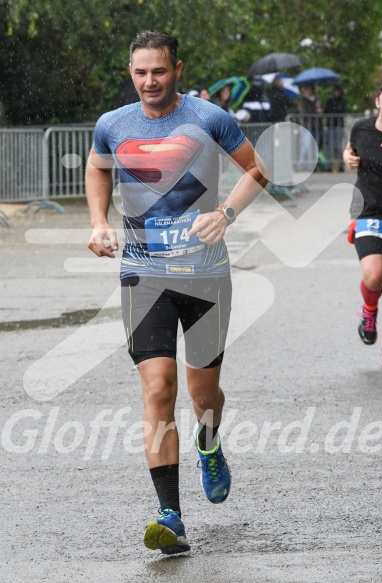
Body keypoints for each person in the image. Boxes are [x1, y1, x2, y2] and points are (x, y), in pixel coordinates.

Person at [85, 30, 268, 554]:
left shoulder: (209, 118)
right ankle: (171, 516)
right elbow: (98, 170)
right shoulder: (112, 125)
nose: (149, 82)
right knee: (158, 387)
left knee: (201, 394)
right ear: (131, 73)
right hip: (143, 274)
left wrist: (225, 214)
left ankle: (209, 442)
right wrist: (98, 220)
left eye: (159, 72)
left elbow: (256, 170)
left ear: (177, 69)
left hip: (206, 275)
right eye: (140, 73)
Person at [343, 79, 382, 366]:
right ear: (378, 101)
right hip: (369, 210)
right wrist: (348, 156)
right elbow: (351, 150)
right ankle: (369, 310)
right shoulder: (362, 128)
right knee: (375, 275)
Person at [297, 84, 323, 171]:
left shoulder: (316, 100)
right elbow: (304, 113)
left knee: (313, 147)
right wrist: (315, 110)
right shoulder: (302, 100)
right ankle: (301, 165)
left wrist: (318, 108)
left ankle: (311, 166)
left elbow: (321, 111)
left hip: (316, 126)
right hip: (307, 127)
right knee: (306, 147)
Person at [324, 84, 347, 172]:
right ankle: (329, 165)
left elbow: (340, 109)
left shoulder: (342, 101)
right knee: (330, 146)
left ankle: (341, 165)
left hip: (338, 125)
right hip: (331, 125)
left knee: (338, 145)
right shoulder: (330, 100)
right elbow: (327, 111)